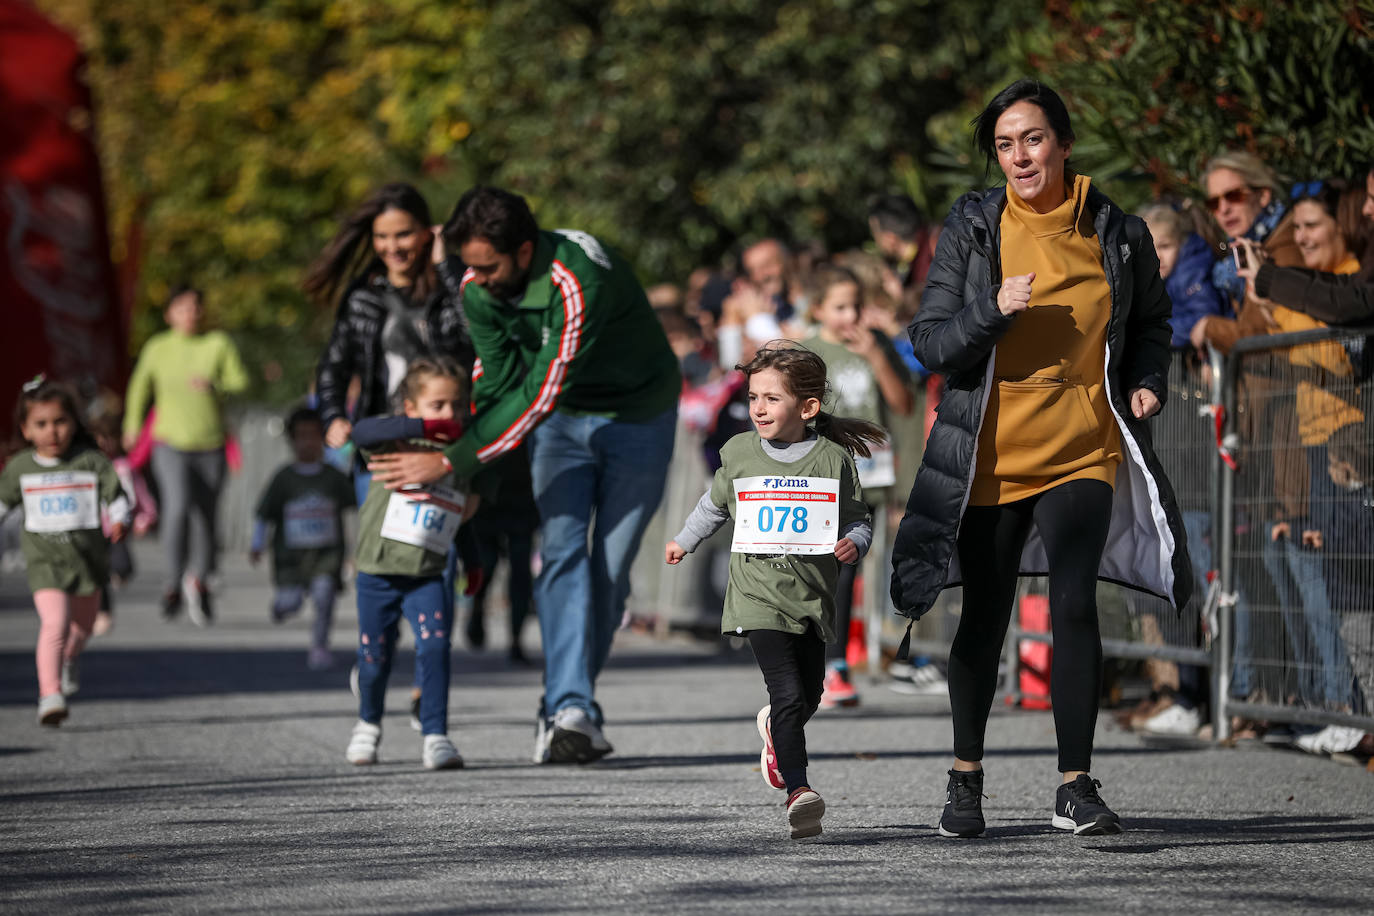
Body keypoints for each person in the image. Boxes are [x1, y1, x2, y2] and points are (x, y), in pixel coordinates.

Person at [889, 79, 1192, 838]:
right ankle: (965, 778)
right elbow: (929, 342)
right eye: (1004, 144)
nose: (1019, 156)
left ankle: (1075, 785)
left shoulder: (1115, 230)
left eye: (1032, 139)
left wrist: (1148, 380)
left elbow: (1154, 322)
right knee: (985, 614)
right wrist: (991, 310)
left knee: (1075, 603)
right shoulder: (974, 226)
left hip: (1082, 444)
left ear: (1062, 143)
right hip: (988, 450)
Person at [367, 187, 681, 765]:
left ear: (525, 250)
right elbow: (493, 387)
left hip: (637, 416)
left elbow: (537, 393)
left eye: (488, 266)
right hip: (562, 424)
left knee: (610, 570)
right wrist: (477, 484)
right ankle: (569, 707)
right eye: (468, 266)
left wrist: (450, 463)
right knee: (561, 551)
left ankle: (568, 705)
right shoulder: (476, 286)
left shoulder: (575, 279)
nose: (476, 279)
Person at [664, 343, 880, 839]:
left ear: (808, 408)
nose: (758, 408)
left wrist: (854, 543)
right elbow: (714, 505)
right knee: (785, 691)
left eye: (772, 399)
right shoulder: (739, 452)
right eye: (753, 398)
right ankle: (800, 792)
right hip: (756, 596)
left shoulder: (833, 459)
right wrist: (684, 540)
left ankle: (775, 736)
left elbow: (858, 520)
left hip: (811, 598)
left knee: (809, 694)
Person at [344, 358, 476, 770]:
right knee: (374, 657)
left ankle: (436, 735)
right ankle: (368, 724)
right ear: (410, 407)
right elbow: (361, 431)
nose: (449, 415)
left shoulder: (461, 453)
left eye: (456, 406)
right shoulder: (392, 441)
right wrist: (421, 429)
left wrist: (475, 560)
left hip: (428, 573)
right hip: (378, 571)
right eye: (437, 405)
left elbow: (464, 512)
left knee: (436, 647)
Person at [801, 264, 914, 708]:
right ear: (818, 309)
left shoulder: (877, 344)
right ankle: (816, 664)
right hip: (819, 476)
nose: (851, 316)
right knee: (821, 573)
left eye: (856, 306)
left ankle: (836, 666)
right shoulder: (806, 350)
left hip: (868, 476)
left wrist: (876, 356)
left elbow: (902, 403)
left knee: (848, 569)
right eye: (840, 307)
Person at [0, 378, 130, 725]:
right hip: (45, 563)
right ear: (26, 429)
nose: (52, 432)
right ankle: (50, 694)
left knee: (82, 629)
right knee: (54, 623)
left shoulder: (90, 461)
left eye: (59, 422)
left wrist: (119, 519)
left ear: (73, 422)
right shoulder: (20, 468)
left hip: (87, 563)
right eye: (41, 424)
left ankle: (68, 658)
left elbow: (116, 496)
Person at [122, 285, 248, 625]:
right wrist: (132, 424)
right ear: (169, 314)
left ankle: (202, 580)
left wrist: (215, 385)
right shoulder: (158, 347)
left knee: (206, 516)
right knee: (176, 508)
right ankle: (172, 582)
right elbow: (139, 386)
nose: (190, 313)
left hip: (211, 444)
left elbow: (240, 382)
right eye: (182, 308)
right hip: (170, 442)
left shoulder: (217, 344)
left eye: (195, 307)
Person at [250, 406, 357, 671]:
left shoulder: (333, 477)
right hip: (291, 559)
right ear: (292, 440)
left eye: (313, 436)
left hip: (326, 556)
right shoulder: (284, 478)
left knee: (324, 598)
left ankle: (319, 646)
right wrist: (256, 543)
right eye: (301, 436)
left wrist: (356, 551)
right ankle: (281, 607)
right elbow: (265, 514)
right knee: (291, 602)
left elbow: (353, 511)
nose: (308, 442)